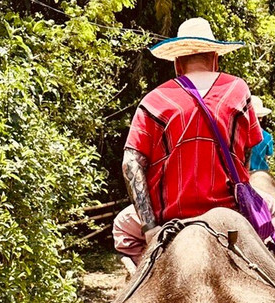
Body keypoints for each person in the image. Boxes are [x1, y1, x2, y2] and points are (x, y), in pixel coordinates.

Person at [113, 17, 266, 264]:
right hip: (230, 211)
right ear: (215, 58)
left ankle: (140, 274)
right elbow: (248, 150)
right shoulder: (237, 89)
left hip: (169, 217)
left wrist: (151, 228)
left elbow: (130, 164)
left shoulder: (155, 100)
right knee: (272, 216)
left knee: (121, 227)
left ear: (177, 64)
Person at [249, 96, 275, 172]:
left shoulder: (241, 136)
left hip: (244, 173)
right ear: (261, 118)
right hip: (262, 172)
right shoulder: (267, 137)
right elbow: (267, 156)